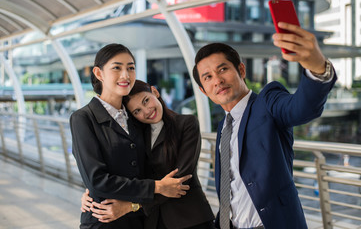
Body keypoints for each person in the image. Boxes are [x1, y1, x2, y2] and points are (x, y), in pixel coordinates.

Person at [192, 22, 337, 229]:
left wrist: (316, 67)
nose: (217, 80)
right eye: (208, 77)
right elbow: (230, 190)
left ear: (241, 69)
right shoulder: (224, 126)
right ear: (203, 90)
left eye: (222, 69)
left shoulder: (267, 102)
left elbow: (300, 108)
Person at [70, 43, 191, 229]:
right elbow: (97, 181)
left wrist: (133, 205)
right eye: (117, 68)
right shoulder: (83, 119)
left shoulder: (136, 117)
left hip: (139, 221)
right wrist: (157, 187)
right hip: (102, 222)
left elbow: (152, 166)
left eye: (131, 68)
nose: (125, 75)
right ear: (99, 73)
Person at [81, 80, 215, 229]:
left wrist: (131, 206)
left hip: (189, 218)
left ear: (155, 92)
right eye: (137, 111)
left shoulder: (186, 124)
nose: (146, 111)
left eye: (146, 101)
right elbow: (123, 170)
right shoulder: (136, 136)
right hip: (152, 221)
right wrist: (94, 194)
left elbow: (179, 182)